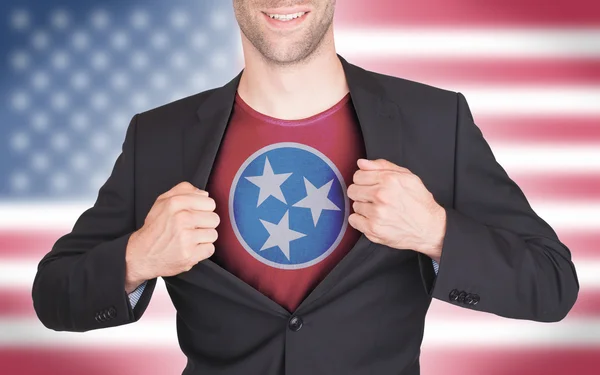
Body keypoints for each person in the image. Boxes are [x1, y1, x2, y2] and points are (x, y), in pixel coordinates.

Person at [31, 1, 579, 374]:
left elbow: (552, 284)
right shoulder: (158, 136)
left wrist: (437, 232)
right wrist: (138, 257)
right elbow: (53, 294)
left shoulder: (436, 121)